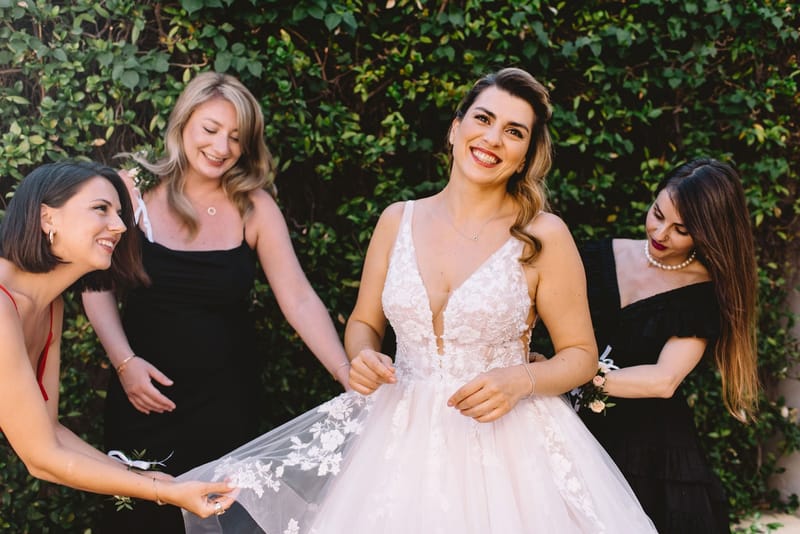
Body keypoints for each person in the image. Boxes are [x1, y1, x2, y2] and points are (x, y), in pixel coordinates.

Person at [178, 68, 656, 533]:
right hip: (396, 439)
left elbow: (580, 356)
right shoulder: (397, 220)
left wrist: (521, 380)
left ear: (526, 153)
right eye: (483, 119)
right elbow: (364, 322)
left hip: (510, 448)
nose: (492, 139)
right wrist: (362, 355)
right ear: (456, 128)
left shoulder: (543, 236)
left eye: (514, 132)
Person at [81, 72, 352, 532]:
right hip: (146, 397)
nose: (221, 147)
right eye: (210, 130)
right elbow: (95, 284)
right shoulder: (134, 193)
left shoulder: (254, 206)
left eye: (236, 138)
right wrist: (124, 364)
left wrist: (345, 373)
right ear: (183, 124)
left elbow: (299, 298)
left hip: (227, 403)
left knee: (227, 522)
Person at [0, 161, 235, 519]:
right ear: (48, 218)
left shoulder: (51, 306)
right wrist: (162, 491)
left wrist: (161, 483)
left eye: (121, 213)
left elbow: (50, 434)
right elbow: (41, 458)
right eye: (101, 209)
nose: (121, 226)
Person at [575, 158, 759, 533]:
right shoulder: (596, 255)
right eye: (657, 214)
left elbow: (664, 380)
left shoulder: (703, 293)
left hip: (650, 453)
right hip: (572, 433)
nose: (660, 233)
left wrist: (568, 375)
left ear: (707, 234)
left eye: (682, 229)